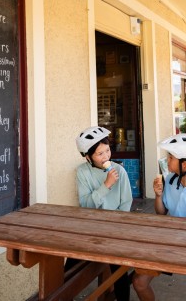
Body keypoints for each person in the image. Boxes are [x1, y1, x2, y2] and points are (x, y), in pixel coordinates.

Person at [70, 126, 133, 300]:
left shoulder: (120, 171)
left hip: (116, 228)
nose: (106, 156)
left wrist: (115, 225)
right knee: (70, 262)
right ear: (88, 157)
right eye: (99, 154)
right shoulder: (83, 172)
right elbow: (86, 204)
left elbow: (126, 203)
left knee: (119, 267)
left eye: (107, 150)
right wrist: (106, 185)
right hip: (91, 227)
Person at [132, 133, 186, 301]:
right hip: (171, 240)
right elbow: (161, 213)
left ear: (184, 164)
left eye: (170, 157)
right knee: (139, 282)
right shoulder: (169, 180)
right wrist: (158, 195)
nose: (166, 161)